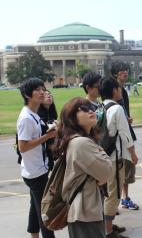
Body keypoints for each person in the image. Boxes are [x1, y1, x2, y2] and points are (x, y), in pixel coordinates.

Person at [55, 97, 112, 238]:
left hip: (85, 209)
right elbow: (106, 172)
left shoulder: (81, 140)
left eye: (92, 108)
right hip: (85, 212)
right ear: (72, 117)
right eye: (84, 109)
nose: (91, 111)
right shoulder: (81, 143)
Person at [17, 78, 56, 238]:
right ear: (27, 94)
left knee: (36, 207)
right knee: (45, 212)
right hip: (35, 173)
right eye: (37, 90)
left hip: (35, 169)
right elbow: (23, 147)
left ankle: (33, 234)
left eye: (43, 88)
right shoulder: (26, 118)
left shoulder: (33, 114)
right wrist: (47, 137)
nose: (42, 92)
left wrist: (49, 131)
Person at [99, 77, 138, 238]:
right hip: (115, 157)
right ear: (114, 90)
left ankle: (106, 226)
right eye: (119, 88)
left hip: (102, 156)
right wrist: (133, 155)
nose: (121, 90)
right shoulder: (117, 109)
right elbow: (125, 134)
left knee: (105, 193)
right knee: (113, 194)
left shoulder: (101, 107)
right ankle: (108, 232)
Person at [111, 61, 139, 210]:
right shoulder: (112, 91)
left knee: (127, 169)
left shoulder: (124, 91)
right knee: (119, 169)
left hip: (126, 131)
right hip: (118, 137)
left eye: (126, 70)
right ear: (115, 73)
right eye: (122, 71)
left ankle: (124, 197)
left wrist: (127, 119)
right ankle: (116, 201)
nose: (125, 73)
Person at [37, 90, 58, 171]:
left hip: (51, 151)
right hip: (43, 154)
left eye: (50, 94)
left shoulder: (52, 114)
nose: (49, 96)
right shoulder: (38, 115)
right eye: (45, 95)